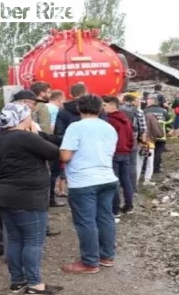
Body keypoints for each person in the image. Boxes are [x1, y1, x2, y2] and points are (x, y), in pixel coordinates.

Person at [0, 103, 63, 295]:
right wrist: (35, 133)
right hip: (29, 196)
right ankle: (35, 284)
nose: (31, 120)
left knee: (15, 239)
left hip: (3, 195)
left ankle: (17, 281)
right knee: (33, 240)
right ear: (23, 119)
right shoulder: (25, 137)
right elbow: (54, 153)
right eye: (29, 117)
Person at [60, 94, 119, 274]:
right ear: (100, 108)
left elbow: (65, 156)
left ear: (79, 108)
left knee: (86, 221)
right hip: (107, 178)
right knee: (105, 217)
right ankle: (106, 256)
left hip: (83, 181)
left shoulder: (75, 127)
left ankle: (89, 262)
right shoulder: (109, 128)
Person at [102, 96, 135, 220]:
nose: (103, 108)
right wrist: (127, 148)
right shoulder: (125, 119)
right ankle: (129, 205)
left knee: (114, 182)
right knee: (126, 180)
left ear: (112, 106)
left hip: (114, 153)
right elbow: (131, 137)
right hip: (125, 153)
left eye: (105, 105)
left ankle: (115, 209)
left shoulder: (109, 120)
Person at [120, 92, 147, 192]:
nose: (138, 102)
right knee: (132, 164)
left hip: (118, 141)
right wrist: (143, 142)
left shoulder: (117, 110)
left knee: (118, 163)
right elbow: (143, 129)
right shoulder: (138, 112)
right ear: (132, 101)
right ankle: (132, 187)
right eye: (137, 101)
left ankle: (119, 185)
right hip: (132, 140)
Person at [144, 96, 171, 174]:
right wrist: (167, 129)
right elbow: (169, 122)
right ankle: (156, 169)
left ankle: (145, 169)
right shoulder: (164, 111)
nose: (146, 103)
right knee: (158, 152)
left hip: (148, 136)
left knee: (147, 152)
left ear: (151, 102)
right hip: (161, 135)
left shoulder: (144, 111)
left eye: (147, 101)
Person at [138, 107, 163, 186]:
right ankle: (147, 180)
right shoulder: (152, 117)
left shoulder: (140, 117)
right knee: (150, 162)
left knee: (139, 163)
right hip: (150, 143)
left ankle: (135, 180)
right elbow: (159, 132)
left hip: (140, 142)